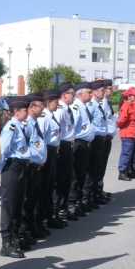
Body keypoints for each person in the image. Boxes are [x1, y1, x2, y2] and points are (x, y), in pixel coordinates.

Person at [0, 96, 33, 258]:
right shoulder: (10, 127)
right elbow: (2, 150)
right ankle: (6, 242)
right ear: (16, 112)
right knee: (9, 205)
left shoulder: (20, 126)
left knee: (19, 203)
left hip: (22, 167)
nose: (27, 112)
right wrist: (1, 169)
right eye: (25, 110)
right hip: (12, 167)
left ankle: (16, 237)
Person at [21, 92, 49, 241]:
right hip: (30, 167)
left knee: (34, 200)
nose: (43, 109)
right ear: (31, 107)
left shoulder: (34, 122)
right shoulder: (26, 125)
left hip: (37, 168)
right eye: (40, 106)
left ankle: (32, 227)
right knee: (27, 201)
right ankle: (24, 231)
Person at [69, 82, 95, 213]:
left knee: (82, 174)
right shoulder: (75, 107)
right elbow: (72, 127)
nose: (92, 94)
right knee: (76, 174)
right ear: (80, 94)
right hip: (79, 143)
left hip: (86, 144)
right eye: (89, 92)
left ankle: (79, 199)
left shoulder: (83, 106)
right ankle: (72, 202)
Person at [53, 82, 77, 222]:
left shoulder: (66, 109)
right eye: (72, 94)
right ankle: (58, 209)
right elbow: (56, 130)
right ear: (64, 95)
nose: (73, 96)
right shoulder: (60, 110)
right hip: (62, 146)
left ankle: (63, 207)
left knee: (67, 179)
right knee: (61, 180)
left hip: (68, 146)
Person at [83, 80, 108, 207]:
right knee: (91, 170)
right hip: (95, 140)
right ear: (94, 92)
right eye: (102, 90)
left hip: (101, 139)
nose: (104, 92)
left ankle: (95, 193)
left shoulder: (98, 105)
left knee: (98, 169)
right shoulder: (91, 106)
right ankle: (88, 197)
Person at [40, 88, 63, 229]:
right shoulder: (44, 117)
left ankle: (49, 215)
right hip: (47, 152)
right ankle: (44, 217)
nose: (58, 105)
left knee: (50, 186)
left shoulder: (50, 116)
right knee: (45, 188)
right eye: (56, 102)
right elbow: (41, 138)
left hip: (54, 152)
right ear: (48, 103)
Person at [97, 79, 117, 199]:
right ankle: (96, 191)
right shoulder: (101, 103)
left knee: (102, 167)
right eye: (109, 88)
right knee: (98, 168)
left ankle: (99, 190)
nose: (112, 90)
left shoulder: (106, 102)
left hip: (107, 138)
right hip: (101, 138)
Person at [117, 87, 135, 180]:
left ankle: (126, 170)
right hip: (127, 133)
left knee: (129, 153)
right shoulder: (126, 105)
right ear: (129, 96)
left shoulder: (130, 105)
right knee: (126, 153)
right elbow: (122, 119)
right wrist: (117, 125)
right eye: (134, 95)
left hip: (132, 132)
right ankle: (122, 171)